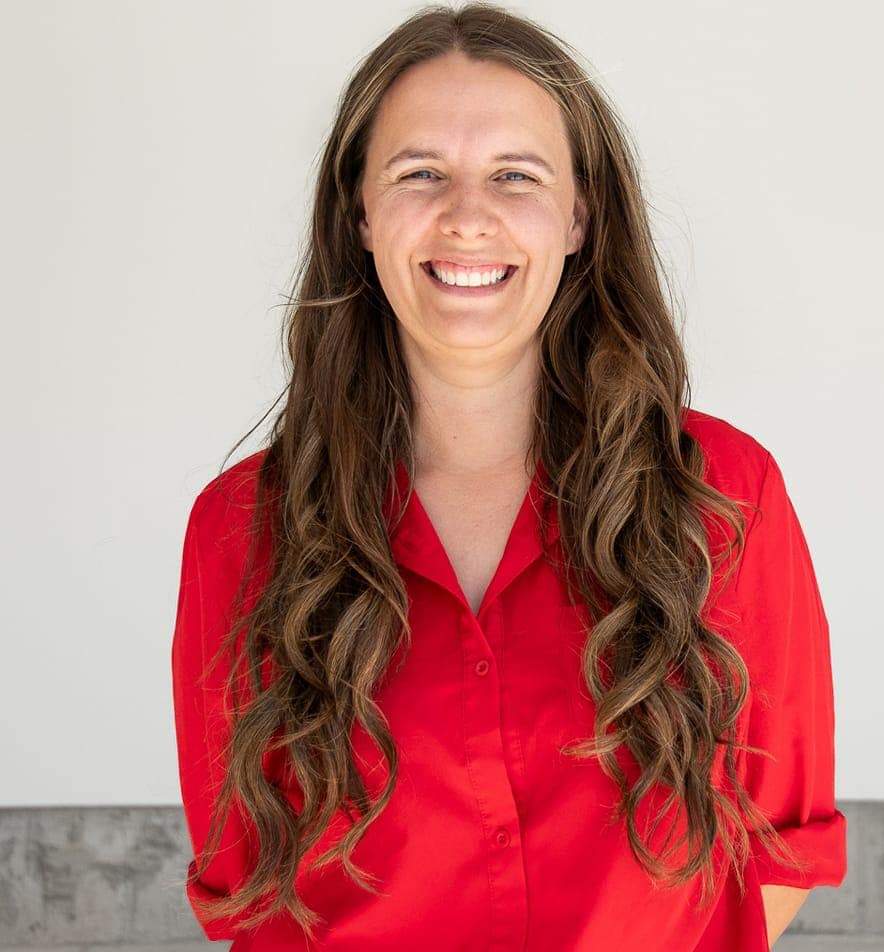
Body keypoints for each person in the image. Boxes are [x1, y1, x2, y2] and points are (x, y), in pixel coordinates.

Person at [170, 4, 846, 949]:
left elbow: (778, 854)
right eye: (420, 174)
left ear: (579, 216)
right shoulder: (241, 528)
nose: (467, 216)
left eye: (515, 176)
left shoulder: (725, 498)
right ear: (360, 213)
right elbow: (244, 885)